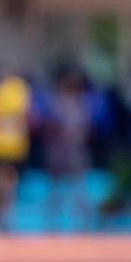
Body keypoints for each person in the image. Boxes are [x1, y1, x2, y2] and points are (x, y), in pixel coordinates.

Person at [0, 64, 31, 231]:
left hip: (3, 142)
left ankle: (2, 211)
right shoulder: (18, 90)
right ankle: (4, 212)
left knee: (2, 177)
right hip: (9, 143)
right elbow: (24, 114)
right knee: (6, 178)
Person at [44, 69, 94, 229]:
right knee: (59, 185)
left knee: (77, 185)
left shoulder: (80, 104)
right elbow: (54, 127)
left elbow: (84, 129)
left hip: (73, 149)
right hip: (62, 150)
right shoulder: (60, 103)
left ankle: (80, 220)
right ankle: (54, 219)